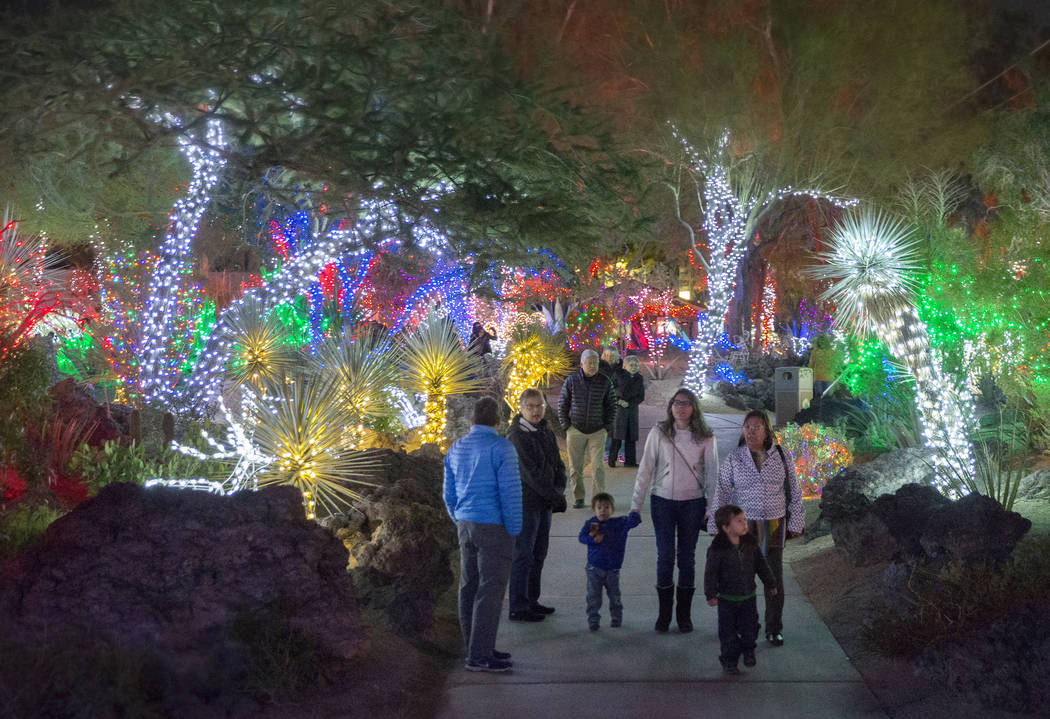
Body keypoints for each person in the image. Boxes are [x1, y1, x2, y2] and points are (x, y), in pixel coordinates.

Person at [710, 409, 804, 647]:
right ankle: (744, 625)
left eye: (757, 427)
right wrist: (715, 523)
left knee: (773, 579)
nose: (751, 431)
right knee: (742, 579)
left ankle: (774, 628)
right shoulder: (735, 458)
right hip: (744, 527)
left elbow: (794, 488)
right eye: (747, 427)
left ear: (766, 430)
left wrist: (796, 520)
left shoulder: (781, 455)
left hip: (774, 523)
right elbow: (721, 490)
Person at [443, 396, 522, 673]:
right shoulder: (503, 449)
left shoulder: (456, 448)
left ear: (472, 420)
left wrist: (459, 519)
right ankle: (479, 656)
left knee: (469, 587)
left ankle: (477, 647)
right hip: (494, 527)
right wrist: (514, 529)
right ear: (498, 422)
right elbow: (510, 494)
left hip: (466, 524)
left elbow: (448, 493)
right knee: (490, 591)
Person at [629, 388, 718, 633]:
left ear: (694, 407)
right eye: (677, 403)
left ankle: (684, 615)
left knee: (687, 559)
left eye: (687, 403)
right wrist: (635, 506)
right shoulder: (659, 433)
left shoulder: (705, 436)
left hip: (693, 503)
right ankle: (664, 614)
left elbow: (712, 473)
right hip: (663, 502)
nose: (681, 408)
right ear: (670, 406)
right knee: (665, 557)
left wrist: (712, 507)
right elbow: (645, 469)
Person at [505, 388, 568, 623]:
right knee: (524, 554)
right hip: (526, 503)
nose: (535, 410)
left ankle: (532, 600)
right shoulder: (517, 436)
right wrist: (554, 494)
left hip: (544, 503)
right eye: (530, 406)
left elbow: (558, 464)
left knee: (539, 553)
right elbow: (529, 474)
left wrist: (558, 489)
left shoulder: (545, 431)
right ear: (520, 408)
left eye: (539, 405)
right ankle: (518, 605)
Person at [704, 504, 777, 674]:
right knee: (727, 634)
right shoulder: (717, 550)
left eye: (744, 520)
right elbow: (710, 573)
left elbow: (761, 565)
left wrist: (771, 583)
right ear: (726, 528)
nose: (745, 524)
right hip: (727, 600)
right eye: (739, 521)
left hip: (748, 598)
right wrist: (711, 594)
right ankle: (729, 661)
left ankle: (748, 651)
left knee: (750, 629)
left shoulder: (750, 544)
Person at [558, 349, 616, 509]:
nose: (592, 365)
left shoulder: (605, 381)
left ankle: (598, 499)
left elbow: (612, 405)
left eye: (595, 362)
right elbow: (562, 403)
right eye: (589, 362)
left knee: (598, 467)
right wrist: (566, 426)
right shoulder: (571, 381)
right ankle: (579, 497)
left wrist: (607, 426)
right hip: (575, 429)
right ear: (582, 363)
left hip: (598, 430)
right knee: (575, 467)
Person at [578, 492, 642, 631]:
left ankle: (616, 618)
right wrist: (592, 539)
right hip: (594, 568)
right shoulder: (593, 525)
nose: (603, 511)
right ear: (594, 510)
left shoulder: (619, 524)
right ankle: (593, 620)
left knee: (615, 596)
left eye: (606, 507)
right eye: (599, 507)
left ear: (612, 510)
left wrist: (635, 509)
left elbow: (633, 521)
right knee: (593, 597)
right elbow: (581, 537)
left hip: (613, 569)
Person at [609, 355, 644, 468]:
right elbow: (610, 390)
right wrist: (619, 401)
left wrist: (630, 403)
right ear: (625, 366)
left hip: (632, 410)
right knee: (617, 436)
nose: (634, 367)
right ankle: (612, 459)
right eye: (631, 365)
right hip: (619, 410)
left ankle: (630, 461)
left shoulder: (639, 378)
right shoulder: (618, 375)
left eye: (636, 365)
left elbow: (640, 396)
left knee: (631, 437)